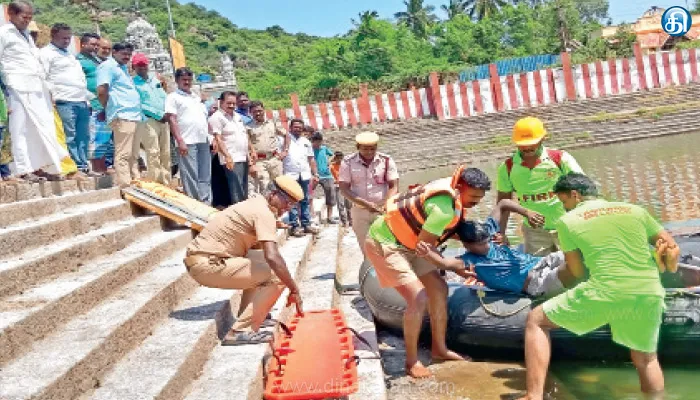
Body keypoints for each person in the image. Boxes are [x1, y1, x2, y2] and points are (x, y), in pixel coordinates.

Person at [519, 173, 681, 400]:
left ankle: (533, 396)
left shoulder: (568, 221)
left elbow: (576, 273)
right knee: (646, 359)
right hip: (650, 290)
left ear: (575, 195)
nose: (565, 208)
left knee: (536, 320)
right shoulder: (634, 210)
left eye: (565, 202)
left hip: (607, 290)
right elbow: (670, 246)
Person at [364, 166, 491, 378]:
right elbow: (426, 249)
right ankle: (411, 362)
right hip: (386, 242)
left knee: (439, 288)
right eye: (474, 198)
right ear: (460, 188)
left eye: (480, 198)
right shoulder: (444, 209)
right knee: (419, 297)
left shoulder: (451, 191)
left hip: (411, 242)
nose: (476, 202)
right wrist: (452, 265)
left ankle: (439, 349)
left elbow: (432, 239)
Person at [183, 175, 305, 345]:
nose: (288, 208)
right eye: (287, 202)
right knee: (276, 274)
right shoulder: (263, 213)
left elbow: (260, 250)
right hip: (207, 265)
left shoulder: (257, 204)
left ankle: (248, 315)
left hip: (205, 260)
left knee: (264, 263)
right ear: (273, 194)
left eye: (293, 204)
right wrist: (294, 289)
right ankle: (240, 331)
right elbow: (273, 256)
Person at [416, 199, 572, 298]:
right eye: (480, 244)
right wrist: (426, 247)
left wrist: (526, 212)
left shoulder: (488, 231)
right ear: (467, 245)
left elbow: (503, 203)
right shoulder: (470, 261)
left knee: (574, 255)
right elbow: (443, 263)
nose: (486, 245)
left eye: (486, 241)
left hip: (542, 262)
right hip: (537, 282)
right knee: (573, 271)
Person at [0, 0, 69, 182]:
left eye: (30, 17)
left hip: (37, 88)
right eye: (24, 17)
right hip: (16, 88)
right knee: (19, 129)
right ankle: (22, 169)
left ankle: (38, 167)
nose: (27, 21)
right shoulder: (4, 34)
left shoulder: (26, 35)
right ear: (11, 13)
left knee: (39, 128)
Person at [496, 117, 584, 255]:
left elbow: (584, 188)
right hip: (534, 232)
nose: (527, 148)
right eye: (522, 144)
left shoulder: (560, 159)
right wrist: (500, 232)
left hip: (567, 225)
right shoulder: (508, 167)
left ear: (543, 139)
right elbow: (503, 204)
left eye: (532, 143)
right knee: (538, 270)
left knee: (577, 269)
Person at [40, 23, 93, 178]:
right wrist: (51, 98)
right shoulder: (46, 53)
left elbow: (80, 79)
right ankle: (72, 168)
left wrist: (86, 100)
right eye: (63, 37)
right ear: (53, 35)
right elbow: (43, 76)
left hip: (80, 100)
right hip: (63, 100)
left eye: (69, 38)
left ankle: (83, 166)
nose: (66, 41)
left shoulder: (69, 55)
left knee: (83, 136)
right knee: (69, 136)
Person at [338, 131, 399, 255]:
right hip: (359, 211)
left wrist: (386, 205)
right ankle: (371, 273)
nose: (369, 152)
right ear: (358, 147)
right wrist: (366, 204)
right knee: (367, 248)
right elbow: (344, 189)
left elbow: (394, 185)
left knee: (388, 246)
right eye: (365, 149)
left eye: (373, 148)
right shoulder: (348, 162)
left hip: (382, 210)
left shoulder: (386, 160)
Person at [96, 42, 143, 187]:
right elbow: (102, 91)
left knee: (134, 154)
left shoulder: (123, 68)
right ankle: (125, 185)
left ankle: (136, 181)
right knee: (123, 153)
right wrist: (109, 108)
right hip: (122, 114)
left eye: (129, 55)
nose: (127, 57)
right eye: (124, 54)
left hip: (134, 115)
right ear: (114, 52)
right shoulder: (107, 66)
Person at [165, 67, 211, 203]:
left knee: (205, 175)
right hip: (187, 141)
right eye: (184, 80)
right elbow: (172, 119)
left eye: (189, 80)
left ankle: (206, 203)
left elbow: (204, 118)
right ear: (177, 80)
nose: (187, 82)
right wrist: (180, 140)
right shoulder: (172, 97)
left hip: (203, 140)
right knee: (190, 175)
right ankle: (194, 204)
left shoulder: (195, 98)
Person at [77, 33, 113, 174]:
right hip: (92, 104)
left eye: (97, 45)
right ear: (83, 44)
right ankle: (95, 168)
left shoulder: (97, 61)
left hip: (104, 105)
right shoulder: (78, 61)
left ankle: (102, 167)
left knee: (103, 139)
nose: (95, 47)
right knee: (94, 138)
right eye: (93, 44)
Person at [132, 53, 170, 185]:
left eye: (144, 65)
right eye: (139, 66)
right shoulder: (133, 83)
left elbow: (164, 97)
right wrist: (159, 115)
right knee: (153, 152)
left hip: (164, 120)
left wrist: (167, 113)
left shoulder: (155, 81)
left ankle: (166, 181)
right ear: (134, 67)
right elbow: (139, 104)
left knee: (166, 152)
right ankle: (156, 182)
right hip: (148, 120)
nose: (142, 68)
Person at [208, 91, 252, 205]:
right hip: (231, 159)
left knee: (243, 190)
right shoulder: (217, 117)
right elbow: (218, 138)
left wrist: (250, 154)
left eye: (234, 103)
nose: (232, 106)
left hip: (242, 157)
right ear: (221, 102)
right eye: (229, 103)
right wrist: (227, 157)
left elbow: (244, 135)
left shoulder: (236, 116)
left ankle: (244, 215)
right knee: (236, 192)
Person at [283, 118, 320, 237]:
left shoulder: (306, 142)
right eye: (295, 127)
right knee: (292, 200)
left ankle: (306, 224)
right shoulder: (284, 140)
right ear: (291, 128)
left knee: (305, 199)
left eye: (300, 128)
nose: (297, 129)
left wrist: (315, 173)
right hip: (290, 174)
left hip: (304, 174)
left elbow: (311, 159)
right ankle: (295, 226)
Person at [247, 100, 289, 195]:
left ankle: (282, 208)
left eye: (259, 110)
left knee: (280, 185)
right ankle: (268, 209)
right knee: (264, 187)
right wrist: (251, 164)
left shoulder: (272, 123)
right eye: (254, 112)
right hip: (259, 161)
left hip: (275, 159)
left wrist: (285, 151)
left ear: (263, 110)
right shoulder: (248, 127)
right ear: (250, 113)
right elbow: (247, 146)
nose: (258, 113)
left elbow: (286, 135)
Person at [310, 132, 337, 224]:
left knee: (330, 195)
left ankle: (330, 217)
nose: (318, 144)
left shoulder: (324, 149)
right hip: (314, 175)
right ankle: (312, 215)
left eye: (319, 142)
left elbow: (333, 155)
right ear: (312, 141)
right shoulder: (309, 150)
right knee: (309, 195)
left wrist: (329, 162)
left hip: (327, 175)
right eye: (316, 142)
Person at [330, 151, 351, 227]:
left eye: (340, 158)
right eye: (337, 158)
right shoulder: (332, 166)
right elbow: (326, 165)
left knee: (348, 205)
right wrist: (332, 158)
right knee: (340, 205)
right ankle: (344, 221)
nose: (339, 160)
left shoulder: (346, 166)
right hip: (338, 187)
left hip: (347, 186)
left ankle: (351, 220)